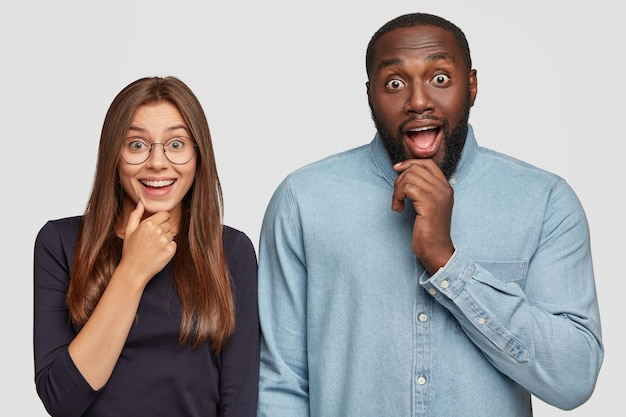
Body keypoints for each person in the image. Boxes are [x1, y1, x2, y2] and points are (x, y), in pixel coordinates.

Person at [256, 12, 603, 417]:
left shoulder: (545, 202)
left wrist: (447, 263)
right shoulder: (304, 201)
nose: (418, 101)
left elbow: (575, 378)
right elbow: (281, 384)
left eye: (440, 78)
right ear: (370, 95)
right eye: (395, 83)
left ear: (471, 86)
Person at [33, 76, 259, 416]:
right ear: (114, 154)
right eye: (137, 145)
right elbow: (61, 401)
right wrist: (132, 271)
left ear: (199, 156)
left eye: (176, 144)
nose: (157, 162)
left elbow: (238, 401)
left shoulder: (231, 251)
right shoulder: (60, 243)